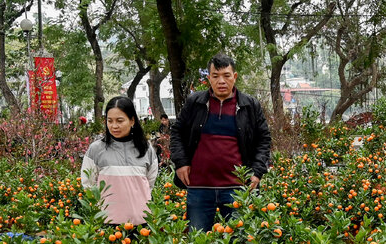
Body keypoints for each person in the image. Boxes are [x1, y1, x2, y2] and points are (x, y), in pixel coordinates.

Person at [169, 53, 272, 232]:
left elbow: (264, 140)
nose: (221, 81)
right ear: (209, 78)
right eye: (215, 76)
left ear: (235, 76)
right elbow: (177, 132)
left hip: (237, 188)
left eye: (226, 75)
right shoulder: (195, 103)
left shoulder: (249, 105)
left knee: (238, 240)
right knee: (197, 241)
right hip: (199, 186)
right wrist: (181, 162)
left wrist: (257, 172)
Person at [80, 96, 159, 225]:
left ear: (132, 121)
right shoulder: (96, 149)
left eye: (120, 121)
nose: (114, 126)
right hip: (107, 223)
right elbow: (88, 183)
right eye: (110, 121)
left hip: (141, 223)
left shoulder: (146, 148)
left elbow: (150, 182)